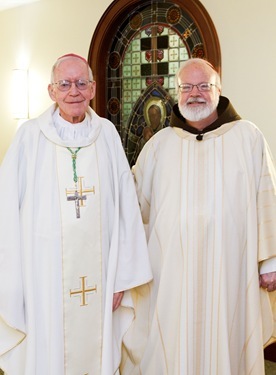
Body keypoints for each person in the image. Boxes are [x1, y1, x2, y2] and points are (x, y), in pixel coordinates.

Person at [121, 58, 276, 374]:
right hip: (171, 271)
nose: (196, 94)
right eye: (187, 87)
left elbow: (267, 198)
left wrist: (270, 261)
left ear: (219, 90)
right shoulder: (158, 146)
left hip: (232, 268)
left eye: (204, 86)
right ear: (176, 93)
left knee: (229, 341)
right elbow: (134, 206)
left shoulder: (248, 137)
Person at [0, 53, 152, 375]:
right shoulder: (29, 137)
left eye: (81, 83)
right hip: (43, 278)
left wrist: (121, 278)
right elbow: (6, 211)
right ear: (51, 91)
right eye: (65, 84)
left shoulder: (107, 135)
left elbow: (126, 209)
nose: (74, 91)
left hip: (101, 279)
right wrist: (16, 281)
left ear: (93, 89)